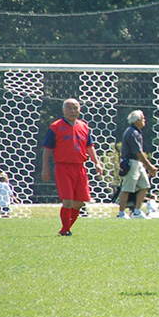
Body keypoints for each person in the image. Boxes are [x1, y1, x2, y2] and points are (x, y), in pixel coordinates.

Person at [41, 98, 104, 236]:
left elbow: (89, 146)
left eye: (75, 108)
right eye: (69, 108)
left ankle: (66, 227)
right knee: (68, 201)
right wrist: (45, 167)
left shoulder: (84, 126)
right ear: (63, 110)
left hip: (80, 168)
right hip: (63, 167)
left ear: (79, 110)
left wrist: (97, 163)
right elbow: (47, 148)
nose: (73, 111)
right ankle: (65, 230)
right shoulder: (56, 126)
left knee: (79, 202)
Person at [118, 110, 159, 219]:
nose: (144, 120)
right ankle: (121, 213)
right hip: (131, 162)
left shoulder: (136, 132)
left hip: (137, 163)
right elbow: (138, 152)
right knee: (127, 188)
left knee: (144, 185)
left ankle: (137, 211)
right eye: (143, 118)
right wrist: (150, 167)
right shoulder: (132, 132)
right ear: (137, 120)